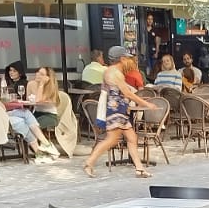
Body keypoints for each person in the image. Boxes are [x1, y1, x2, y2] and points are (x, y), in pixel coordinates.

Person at [0, 59, 59, 162]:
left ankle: (42, 149)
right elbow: (2, 107)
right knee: (23, 120)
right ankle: (42, 148)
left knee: (25, 114)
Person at [83, 49, 153, 178]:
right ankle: (89, 163)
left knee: (132, 138)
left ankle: (139, 169)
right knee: (112, 139)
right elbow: (127, 93)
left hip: (119, 109)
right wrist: (145, 103)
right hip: (116, 110)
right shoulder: (115, 73)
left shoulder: (111, 71)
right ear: (122, 59)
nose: (129, 61)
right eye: (127, 58)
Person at [27, 65, 78, 158]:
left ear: (48, 78)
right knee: (25, 123)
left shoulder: (51, 88)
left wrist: (41, 85)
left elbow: (38, 100)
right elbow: (28, 101)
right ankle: (38, 148)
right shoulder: (31, 84)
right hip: (36, 113)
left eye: (42, 74)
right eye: (38, 72)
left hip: (49, 115)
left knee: (32, 126)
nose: (38, 75)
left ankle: (43, 148)